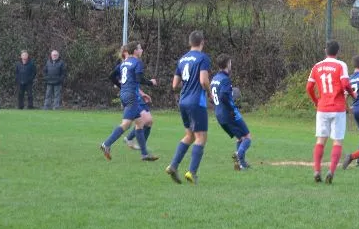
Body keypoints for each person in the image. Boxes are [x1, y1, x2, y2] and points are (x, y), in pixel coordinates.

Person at [305, 40, 355, 184]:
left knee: (321, 140)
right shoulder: (341, 65)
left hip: (322, 108)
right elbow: (345, 84)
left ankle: (316, 170)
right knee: (337, 141)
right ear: (338, 52)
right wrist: (353, 94)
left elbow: (309, 87)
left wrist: (316, 101)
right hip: (337, 108)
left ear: (325, 51)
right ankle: (331, 171)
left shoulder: (317, 66)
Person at [165, 30, 211, 185]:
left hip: (183, 101)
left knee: (189, 136)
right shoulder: (203, 58)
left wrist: (187, 85)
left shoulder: (182, 59)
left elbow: (174, 85)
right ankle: (192, 172)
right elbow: (203, 81)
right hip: (196, 102)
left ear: (190, 42)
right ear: (202, 42)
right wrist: (210, 92)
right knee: (201, 137)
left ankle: (173, 166)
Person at [100, 42, 159, 161]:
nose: (142, 50)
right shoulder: (137, 62)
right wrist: (151, 83)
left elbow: (112, 76)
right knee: (126, 124)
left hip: (124, 94)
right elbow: (139, 79)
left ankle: (144, 154)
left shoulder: (123, 63)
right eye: (140, 48)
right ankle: (106, 144)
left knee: (140, 123)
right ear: (135, 51)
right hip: (132, 96)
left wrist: (122, 86)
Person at [210, 54, 252, 171]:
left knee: (240, 138)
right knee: (247, 138)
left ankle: (241, 165)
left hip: (219, 114)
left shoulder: (215, 79)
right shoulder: (225, 79)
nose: (231, 65)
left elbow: (212, 96)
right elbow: (223, 96)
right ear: (227, 64)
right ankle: (238, 155)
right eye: (230, 63)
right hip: (229, 113)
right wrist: (231, 109)